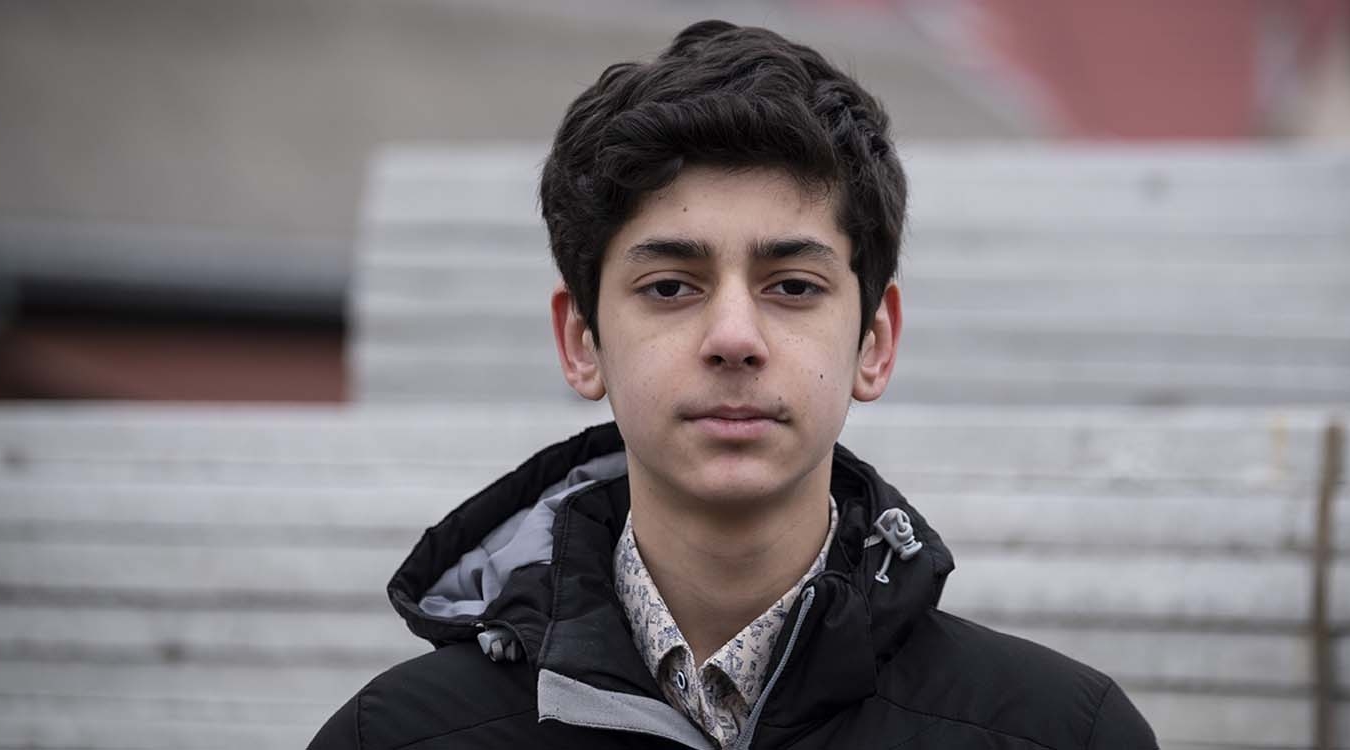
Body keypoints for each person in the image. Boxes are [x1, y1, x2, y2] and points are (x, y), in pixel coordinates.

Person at [309, 19, 1157, 750]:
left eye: (792, 285)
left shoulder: (1063, 734)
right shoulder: (390, 739)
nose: (734, 338)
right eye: (670, 286)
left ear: (875, 340)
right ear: (581, 340)